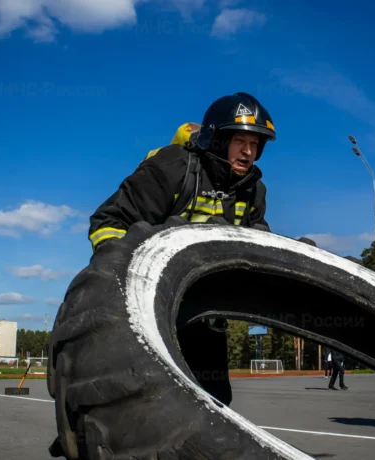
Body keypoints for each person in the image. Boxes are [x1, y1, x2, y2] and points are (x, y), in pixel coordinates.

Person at [86, 92, 278, 406]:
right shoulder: (172, 168)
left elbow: (255, 246)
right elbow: (109, 220)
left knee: (214, 405)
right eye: (240, 141)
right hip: (147, 310)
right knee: (144, 402)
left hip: (204, 316)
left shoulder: (253, 190)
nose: (248, 152)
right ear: (218, 139)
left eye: (255, 145)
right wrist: (121, 277)